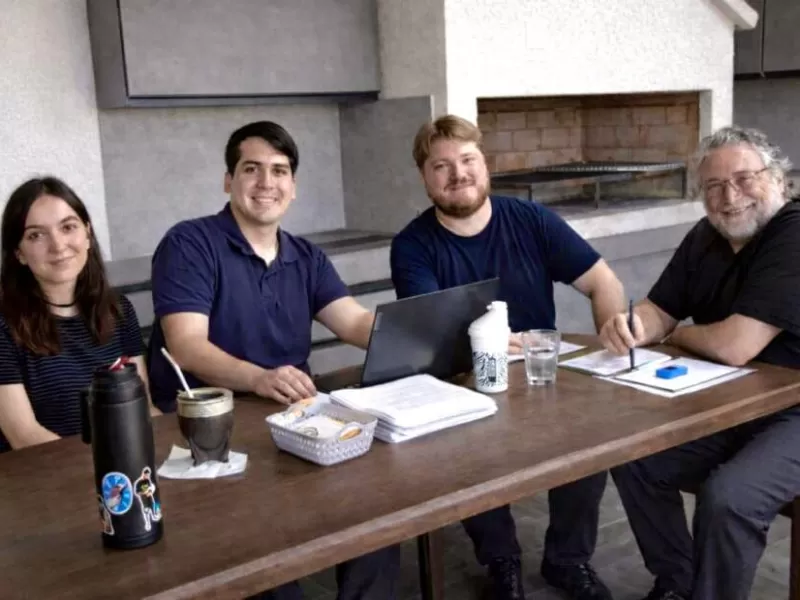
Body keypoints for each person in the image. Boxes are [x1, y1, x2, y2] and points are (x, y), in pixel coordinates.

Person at [147, 120, 399, 600]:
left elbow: (353, 322)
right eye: (252, 169)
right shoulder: (190, 244)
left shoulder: (306, 256)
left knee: (375, 521)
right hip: (208, 432)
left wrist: (435, 333)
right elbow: (187, 346)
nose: (267, 183)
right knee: (270, 572)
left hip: (294, 418)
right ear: (228, 180)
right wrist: (260, 378)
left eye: (280, 171)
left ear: (294, 186)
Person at [391, 115, 627, 600]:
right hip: (466, 380)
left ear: (486, 164)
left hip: (542, 374)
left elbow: (603, 281)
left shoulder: (531, 220)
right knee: (463, 438)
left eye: (468, 160)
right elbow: (432, 334)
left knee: (592, 426)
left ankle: (568, 559)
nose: (458, 174)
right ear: (424, 177)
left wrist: (609, 324)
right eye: (442, 166)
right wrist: (492, 343)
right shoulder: (412, 245)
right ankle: (502, 559)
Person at [600, 126, 800, 600]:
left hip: (793, 408)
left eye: (745, 178)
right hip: (732, 403)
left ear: (778, 180)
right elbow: (660, 307)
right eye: (713, 186)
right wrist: (633, 325)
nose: (730, 197)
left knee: (729, 499)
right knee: (633, 457)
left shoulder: (793, 233)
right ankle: (680, 583)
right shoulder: (706, 236)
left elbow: (736, 345)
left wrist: (676, 333)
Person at [0, 177, 157, 452]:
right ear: (19, 254)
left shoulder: (118, 310)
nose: (58, 245)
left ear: (87, 234)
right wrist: (108, 466)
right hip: (39, 479)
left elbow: (141, 408)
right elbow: (24, 436)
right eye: (36, 235)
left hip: (122, 472)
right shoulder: (4, 324)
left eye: (68, 227)